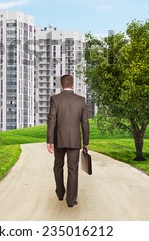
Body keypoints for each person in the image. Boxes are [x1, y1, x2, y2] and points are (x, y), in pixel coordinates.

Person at [46, 74, 89, 207]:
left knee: (58, 166)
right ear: (73, 84)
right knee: (73, 169)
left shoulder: (55, 99)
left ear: (61, 85)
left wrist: (50, 141)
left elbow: (51, 120)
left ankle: (60, 193)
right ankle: (71, 200)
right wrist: (86, 142)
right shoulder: (81, 100)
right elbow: (85, 123)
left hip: (59, 140)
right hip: (75, 140)